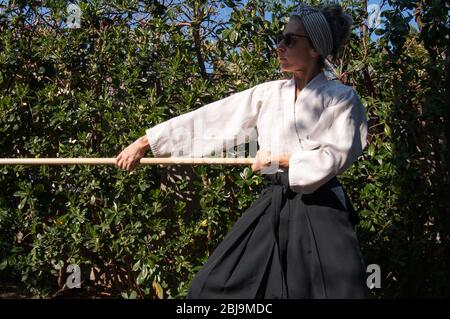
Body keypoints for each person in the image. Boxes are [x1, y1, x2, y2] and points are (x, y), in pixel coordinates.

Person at [115, 3, 369, 299]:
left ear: (315, 50)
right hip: (273, 202)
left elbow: (334, 156)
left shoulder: (342, 98)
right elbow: (213, 119)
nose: (280, 46)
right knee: (210, 289)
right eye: (280, 38)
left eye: (290, 40)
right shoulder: (269, 94)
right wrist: (145, 142)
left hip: (321, 210)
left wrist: (282, 159)